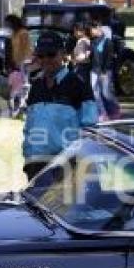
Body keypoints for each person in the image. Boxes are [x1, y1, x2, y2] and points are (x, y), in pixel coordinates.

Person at [22, 31, 98, 180]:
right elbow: (29, 127)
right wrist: (27, 158)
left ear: (63, 54)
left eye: (51, 54)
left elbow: (90, 129)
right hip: (35, 166)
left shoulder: (78, 85)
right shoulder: (36, 86)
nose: (46, 59)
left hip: (67, 166)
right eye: (41, 55)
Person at [89, 21, 120, 120]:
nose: (91, 32)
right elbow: (92, 56)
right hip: (94, 70)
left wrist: (104, 71)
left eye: (92, 30)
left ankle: (115, 108)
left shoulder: (108, 41)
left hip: (105, 71)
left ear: (98, 28)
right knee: (95, 92)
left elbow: (109, 58)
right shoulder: (93, 41)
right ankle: (102, 113)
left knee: (106, 93)